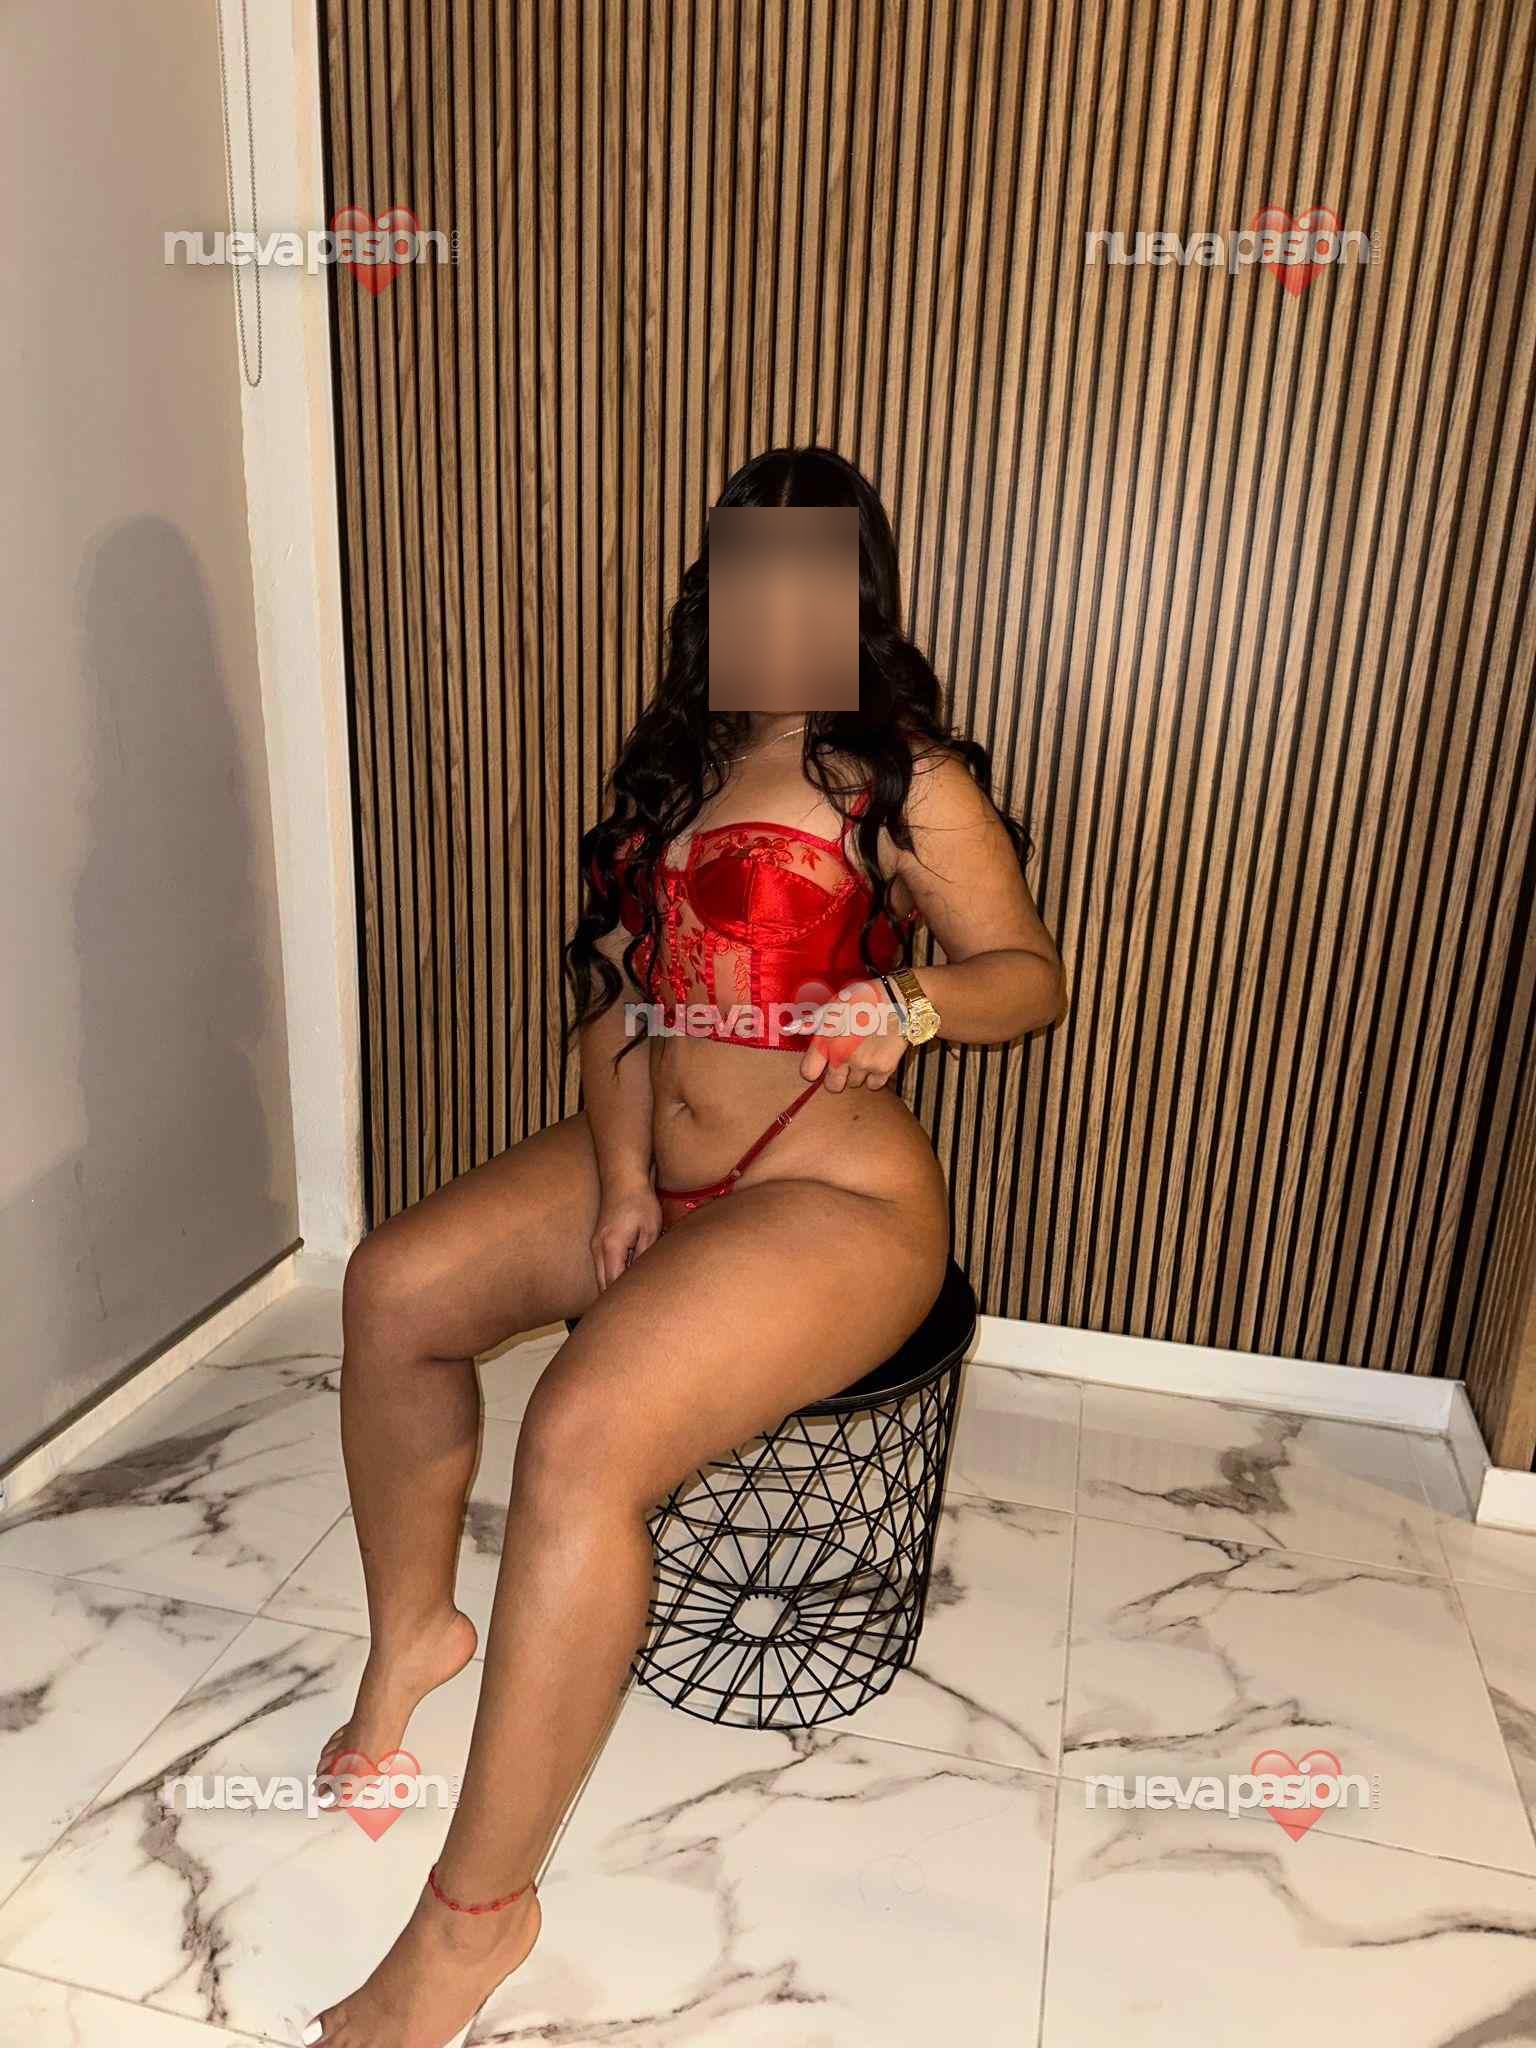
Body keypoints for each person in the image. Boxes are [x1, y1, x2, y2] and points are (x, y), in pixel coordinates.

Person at [299, 445, 1067, 2048]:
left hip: (833, 1195)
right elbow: (613, 1004)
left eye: (810, 575)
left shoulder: (898, 778)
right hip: (659, 1152)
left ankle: (474, 1922)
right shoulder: (678, 769)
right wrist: (622, 1179)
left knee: (578, 1438)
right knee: (395, 1287)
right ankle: (414, 1637)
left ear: (856, 598)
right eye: (744, 575)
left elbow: (1028, 975)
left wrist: (914, 1000)